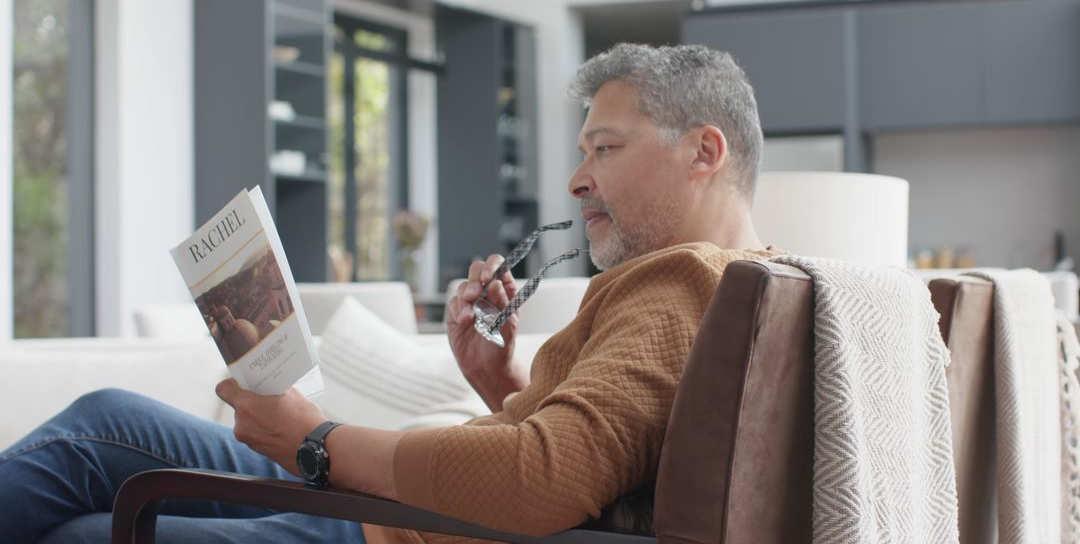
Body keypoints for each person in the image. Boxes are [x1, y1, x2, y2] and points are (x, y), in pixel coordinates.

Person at [0, 43, 778, 543]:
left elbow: (544, 480)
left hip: (394, 528)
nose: (577, 179)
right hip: (407, 514)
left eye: (604, 149)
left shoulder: (685, 278)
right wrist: (499, 383)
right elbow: (590, 457)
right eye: (582, 152)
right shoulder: (730, 288)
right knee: (104, 423)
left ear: (704, 151)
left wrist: (317, 439)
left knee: (86, 521)